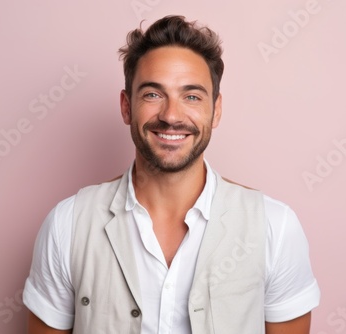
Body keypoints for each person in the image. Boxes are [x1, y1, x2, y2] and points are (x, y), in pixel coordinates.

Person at [23, 15, 320, 334]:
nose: (171, 116)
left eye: (192, 96)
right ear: (126, 106)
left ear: (215, 110)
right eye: (153, 94)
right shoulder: (67, 224)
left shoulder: (275, 226)